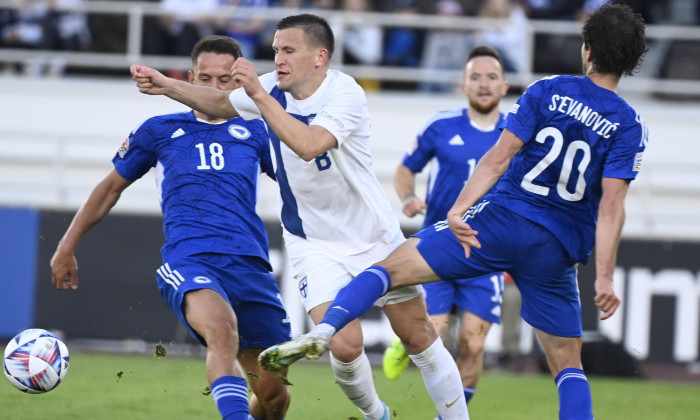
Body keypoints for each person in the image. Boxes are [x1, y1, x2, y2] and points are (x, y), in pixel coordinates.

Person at [261, 4, 649, 419]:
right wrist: (605, 277)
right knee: (569, 367)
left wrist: (459, 209)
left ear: (586, 50)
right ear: (632, 61)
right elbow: (611, 206)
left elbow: (498, 159)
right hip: (555, 250)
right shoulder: (629, 124)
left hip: (498, 223)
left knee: (390, 268)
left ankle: (323, 329)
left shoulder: (548, 90)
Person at [131, 12, 468, 420]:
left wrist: (259, 96)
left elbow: (310, 145)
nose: (279, 59)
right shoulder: (271, 87)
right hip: (313, 242)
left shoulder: (345, 93)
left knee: (417, 336)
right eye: (275, 51)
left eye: (288, 50)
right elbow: (220, 102)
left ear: (319, 56)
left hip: (372, 233)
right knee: (344, 347)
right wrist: (169, 86)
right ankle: (377, 415)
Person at [50, 35, 291, 420]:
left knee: (275, 395)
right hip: (190, 258)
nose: (215, 88)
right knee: (221, 329)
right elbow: (109, 188)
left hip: (250, 265)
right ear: (191, 77)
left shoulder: (259, 131)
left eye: (226, 80)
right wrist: (66, 245)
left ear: (239, 81)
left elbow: (302, 183)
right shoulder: (158, 130)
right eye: (207, 78)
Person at [383, 45, 510, 409]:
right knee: (433, 338)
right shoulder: (440, 125)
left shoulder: (516, 133)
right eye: (475, 77)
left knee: (473, 343)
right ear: (463, 86)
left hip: (488, 250)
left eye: (491, 77)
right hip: (439, 247)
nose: (483, 84)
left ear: (504, 86)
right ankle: (404, 341)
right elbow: (406, 169)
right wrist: (407, 197)